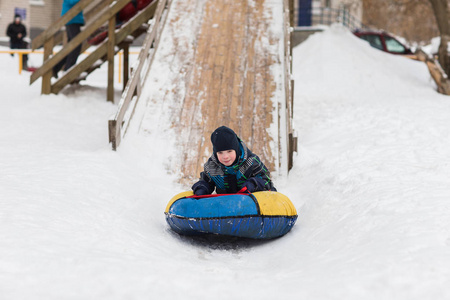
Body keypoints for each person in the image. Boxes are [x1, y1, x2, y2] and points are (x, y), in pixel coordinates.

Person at [192, 126, 276, 195]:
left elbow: (266, 181)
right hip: (229, 207)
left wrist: (253, 184)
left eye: (229, 151)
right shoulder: (211, 167)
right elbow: (206, 181)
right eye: (220, 152)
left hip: (252, 204)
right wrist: (202, 188)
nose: (225, 156)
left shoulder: (251, 163)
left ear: (236, 150)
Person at [53, 0, 85, 78]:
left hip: (73, 19)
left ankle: (57, 67)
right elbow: (71, 2)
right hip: (72, 19)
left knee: (71, 47)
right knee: (75, 46)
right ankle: (68, 68)